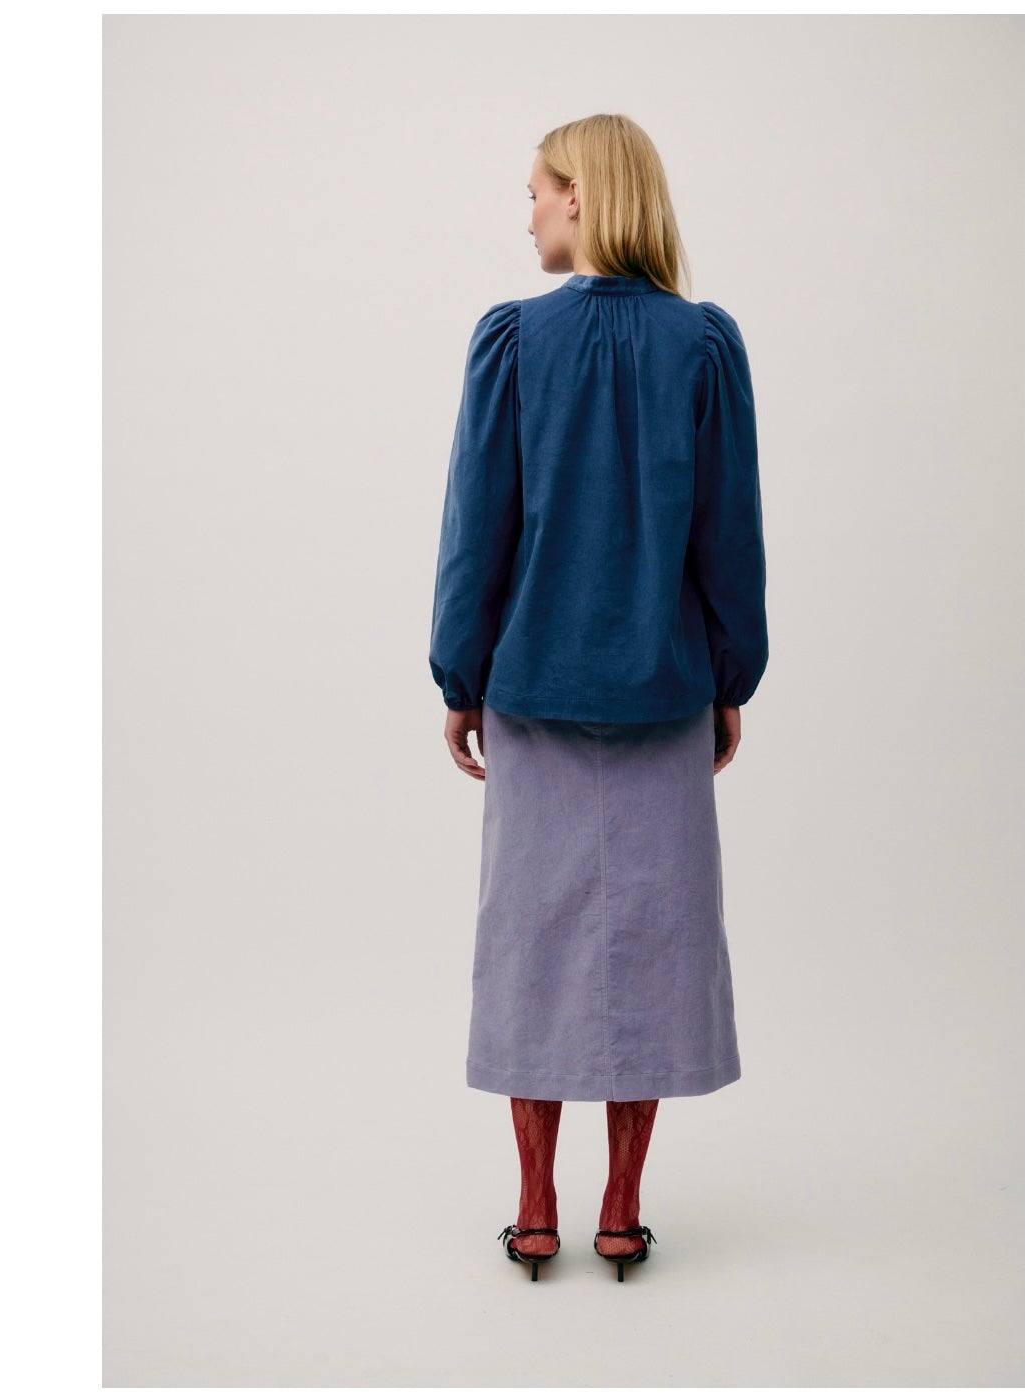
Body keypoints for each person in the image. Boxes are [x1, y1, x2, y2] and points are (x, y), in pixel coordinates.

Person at [427, 113, 766, 1283]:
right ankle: (619, 1207)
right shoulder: (703, 344)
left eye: (533, 191)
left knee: (529, 942)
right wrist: (730, 677)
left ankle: (536, 1203)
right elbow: (731, 539)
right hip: (666, 689)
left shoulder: (514, 343)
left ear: (579, 197)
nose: (523, 213)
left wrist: (458, 674)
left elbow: (479, 528)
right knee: (656, 944)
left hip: (531, 688)